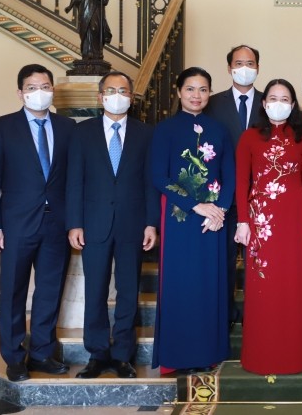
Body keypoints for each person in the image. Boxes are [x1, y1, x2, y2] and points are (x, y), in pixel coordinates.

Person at [0, 64, 75, 382]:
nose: (40, 92)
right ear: (20, 93)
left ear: (53, 90)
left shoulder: (67, 127)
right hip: (16, 225)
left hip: (56, 224)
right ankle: (14, 356)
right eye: (32, 88)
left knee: (50, 290)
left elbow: (74, 179)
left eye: (45, 86)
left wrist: (75, 222)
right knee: (13, 290)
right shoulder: (2, 127)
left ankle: (42, 353)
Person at [66, 71, 160, 379]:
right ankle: (97, 354)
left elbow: (150, 182)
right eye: (110, 91)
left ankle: (122, 355)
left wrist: (151, 223)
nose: (116, 96)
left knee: (128, 291)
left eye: (123, 91)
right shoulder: (82, 132)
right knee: (95, 290)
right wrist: (74, 223)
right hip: (93, 224)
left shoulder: (146, 133)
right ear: (99, 97)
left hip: (133, 224)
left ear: (131, 98)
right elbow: (74, 180)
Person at [151, 67, 235, 373]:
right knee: (181, 285)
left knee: (209, 286)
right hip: (181, 219)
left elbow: (230, 175)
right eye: (190, 89)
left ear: (210, 93)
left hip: (213, 221)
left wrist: (220, 210)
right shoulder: (165, 129)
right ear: (178, 91)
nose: (196, 95)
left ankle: (207, 353)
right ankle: (177, 357)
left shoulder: (220, 130)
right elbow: (159, 176)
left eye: (203, 89)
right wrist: (195, 205)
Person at [235, 79, 302, 375]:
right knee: (264, 286)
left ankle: (299, 355)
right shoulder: (248, 137)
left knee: (295, 283)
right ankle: (262, 355)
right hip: (262, 222)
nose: (278, 103)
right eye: (273, 98)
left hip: (296, 220)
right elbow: (241, 182)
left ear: (293, 105)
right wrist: (243, 221)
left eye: (285, 99)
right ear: (263, 103)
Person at [205, 44, 264, 328]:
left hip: (262, 197)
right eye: (239, 63)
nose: (244, 68)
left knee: (260, 260)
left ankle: (259, 316)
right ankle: (226, 315)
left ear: (258, 68)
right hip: (223, 197)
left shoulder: (270, 101)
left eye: (250, 63)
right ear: (229, 68)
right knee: (225, 261)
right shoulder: (212, 104)